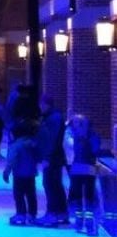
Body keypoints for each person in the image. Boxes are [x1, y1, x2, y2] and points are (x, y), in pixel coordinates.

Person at [64, 115, 102, 236]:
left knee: (79, 197)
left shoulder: (76, 135)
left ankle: (80, 223)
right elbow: (95, 150)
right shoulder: (92, 135)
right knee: (89, 197)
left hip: (77, 169)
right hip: (88, 169)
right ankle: (90, 227)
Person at [36, 95, 69, 227]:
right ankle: (61, 212)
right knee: (55, 184)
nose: (40, 107)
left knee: (50, 184)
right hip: (55, 157)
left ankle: (52, 213)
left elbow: (52, 140)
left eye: (41, 105)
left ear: (46, 104)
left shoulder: (53, 118)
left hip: (53, 158)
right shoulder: (51, 117)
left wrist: (47, 158)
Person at [4, 121, 40, 226]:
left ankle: (21, 213)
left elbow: (11, 159)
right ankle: (32, 214)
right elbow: (37, 157)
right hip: (31, 174)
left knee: (18, 195)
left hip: (19, 174)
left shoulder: (15, 145)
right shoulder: (33, 144)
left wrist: (7, 171)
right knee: (31, 195)